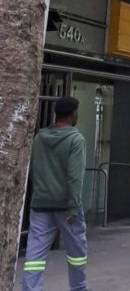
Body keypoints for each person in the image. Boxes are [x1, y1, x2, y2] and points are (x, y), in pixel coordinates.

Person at [22, 97, 88, 291]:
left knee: (34, 255)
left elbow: (33, 170)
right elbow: (75, 178)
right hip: (67, 207)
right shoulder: (76, 139)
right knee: (76, 253)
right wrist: (74, 206)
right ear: (72, 114)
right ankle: (79, 288)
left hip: (40, 204)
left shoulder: (39, 138)